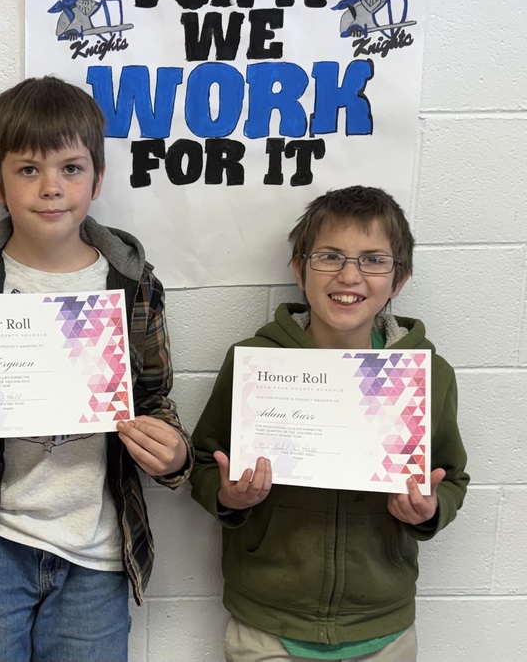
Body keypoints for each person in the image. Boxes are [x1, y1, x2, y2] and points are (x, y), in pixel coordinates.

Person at [0, 75, 192, 662]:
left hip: (95, 552)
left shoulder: (131, 280)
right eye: (28, 169)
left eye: (71, 168)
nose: (51, 187)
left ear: (98, 179)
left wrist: (175, 456)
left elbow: (154, 400)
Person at [189, 186, 469, 661]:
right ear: (299, 269)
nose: (349, 275)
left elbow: (452, 478)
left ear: (399, 279)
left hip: (382, 628)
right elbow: (202, 461)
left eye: (373, 260)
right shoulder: (254, 364)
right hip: (267, 624)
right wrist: (228, 496)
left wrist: (429, 509)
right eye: (330, 256)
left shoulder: (426, 376)